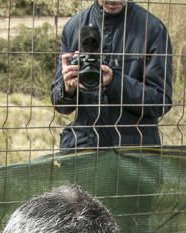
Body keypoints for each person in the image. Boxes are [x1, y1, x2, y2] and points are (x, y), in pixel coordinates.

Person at [51, 0, 173, 150]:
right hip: (84, 148)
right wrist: (67, 89)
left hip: (134, 152)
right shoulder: (74, 27)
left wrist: (114, 82)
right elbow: (60, 106)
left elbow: (160, 102)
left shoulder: (153, 29)